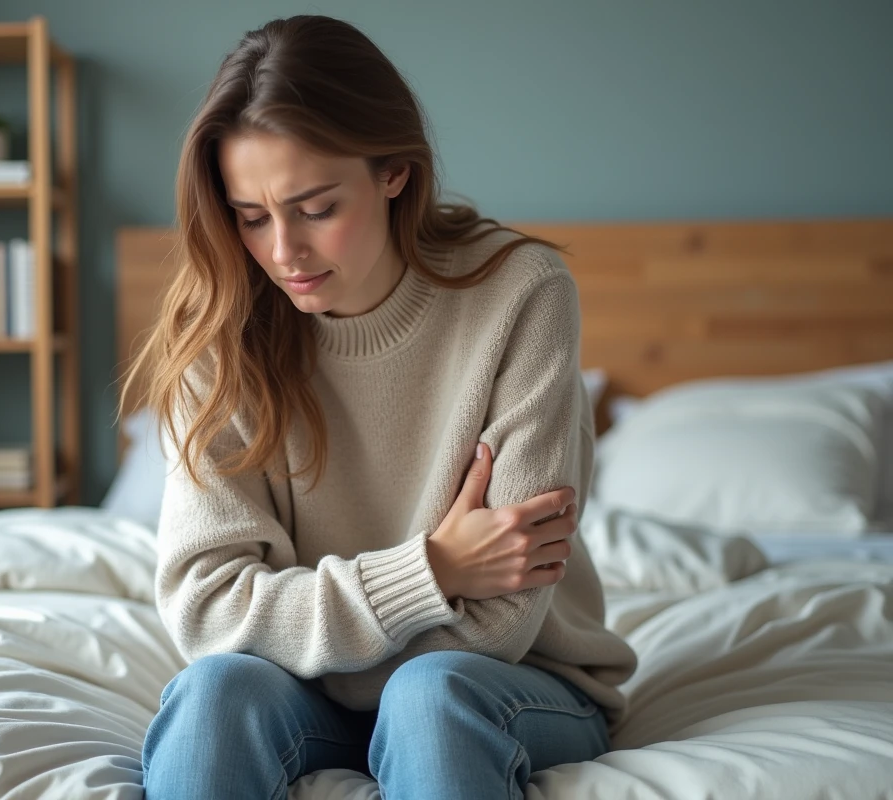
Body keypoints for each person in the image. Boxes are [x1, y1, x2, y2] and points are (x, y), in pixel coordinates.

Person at [120, 14, 638, 800]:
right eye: (251, 217)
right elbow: (205, 615)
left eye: (316, 207)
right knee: (214, 694)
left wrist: (302, 625)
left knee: (427, 697)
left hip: (509, 683)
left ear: (394, 170)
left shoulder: (520, 293)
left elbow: (505, 622)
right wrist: (432, 569)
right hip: (302, 693)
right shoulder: (220, 331)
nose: (283, 251)